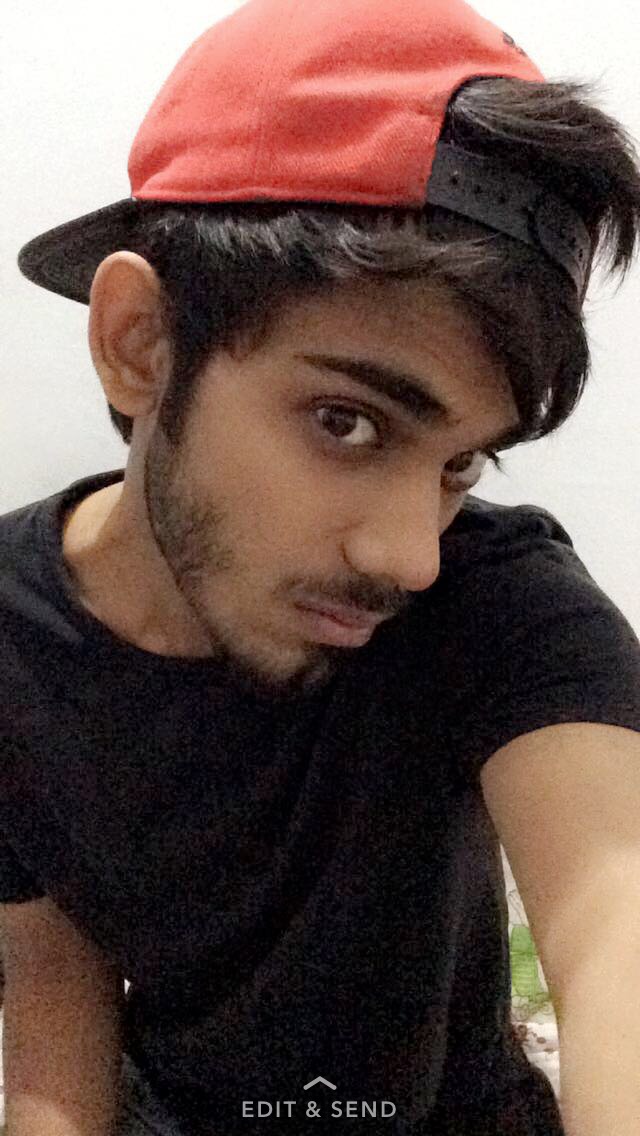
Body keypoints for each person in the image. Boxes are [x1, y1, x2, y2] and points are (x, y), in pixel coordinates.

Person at [2, 0, 640, 1133]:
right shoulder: (10, 636)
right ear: (141, 342)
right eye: (347, 421)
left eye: (459, 463)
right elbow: (55, 1033)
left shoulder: (494, 597)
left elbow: (616, 923)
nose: (407, 554)